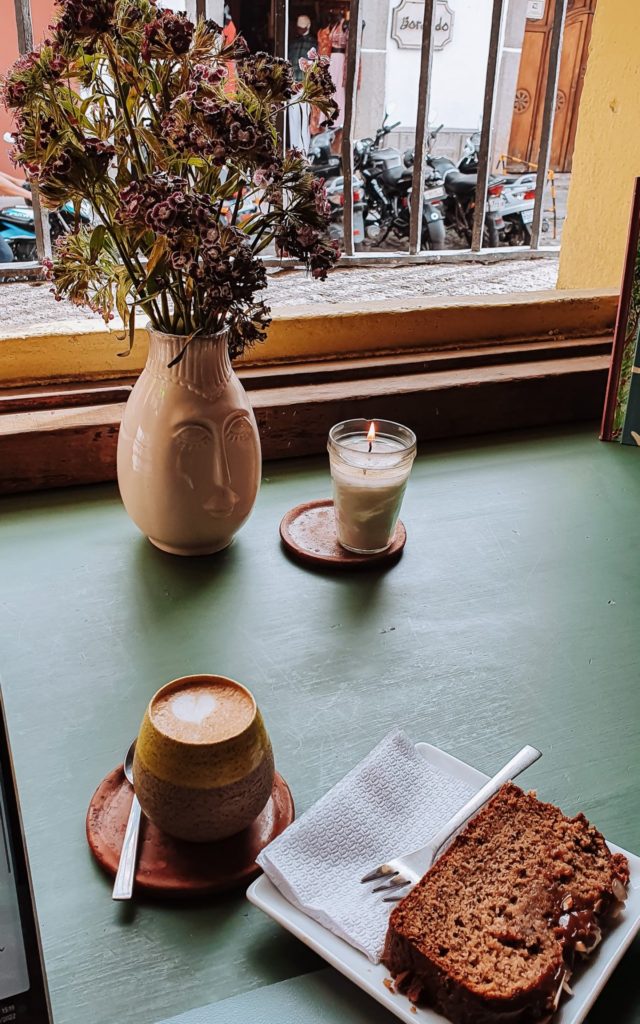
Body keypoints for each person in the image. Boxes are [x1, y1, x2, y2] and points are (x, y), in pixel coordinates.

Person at [288, 14, 317, 153]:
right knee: (293, 117)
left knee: (304, 118)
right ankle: (295, 148)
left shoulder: (313, 44)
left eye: (302, 28)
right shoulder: (293, 43)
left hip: (305, 84)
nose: (300, 30)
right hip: (293, 84)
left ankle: (304, 148)